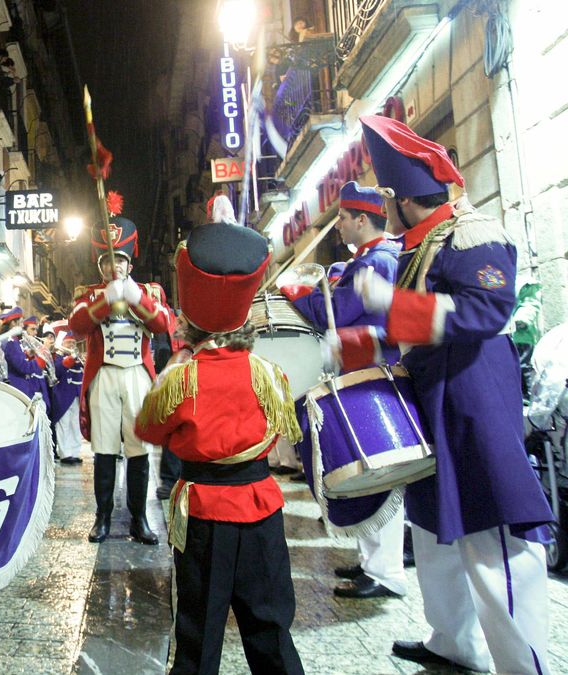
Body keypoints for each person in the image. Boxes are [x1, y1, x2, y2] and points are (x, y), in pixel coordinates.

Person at [337, 114, 552, 674]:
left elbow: (482, 313)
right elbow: (422, 334)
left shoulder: (470, 234)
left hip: (473, 408)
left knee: (493, 546)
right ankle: (452, 643)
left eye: (386, 195)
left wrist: (387, 304)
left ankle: (524, 667)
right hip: (433, 406)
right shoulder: (420, 242)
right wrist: (365, 341)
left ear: (400, 198)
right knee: (434, 536)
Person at [136, 219, 304, 675]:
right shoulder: (269, 374)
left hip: (204, 516)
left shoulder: (181, 378)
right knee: (271, 633)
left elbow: (148, 429)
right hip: (261, 509)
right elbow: (281, 428)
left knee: (197, 637)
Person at [280, 181, 407, 600]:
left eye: (343, 218)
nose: (337, 226)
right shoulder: (369, 259)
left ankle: (386, 571)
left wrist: (298, 293)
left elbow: (339, 312)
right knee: (369, 470)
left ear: (362, 220)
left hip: (371, 374)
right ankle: (373, 561)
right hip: (363, 372)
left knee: (379, 471)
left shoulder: (377, 262)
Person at [69, 213, 175, 545]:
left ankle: (139, 517)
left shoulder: (148, 291)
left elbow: (163, 324)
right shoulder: (88, 293)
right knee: (104, 449)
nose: (113, 267)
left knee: (138, 448)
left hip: (137, 377)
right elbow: (77, 325)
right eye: (107, 261)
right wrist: (105, 299)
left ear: (130, 262)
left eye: (120, 260)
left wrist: (134, 298)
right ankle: (102, 517)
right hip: (104, 376)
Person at [49, 327, 84, 465]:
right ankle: (65, 453)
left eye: (73, 343)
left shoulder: (78, 359)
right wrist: (70, 358)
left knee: (75, 425)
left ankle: (75, 452)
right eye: (68, 343)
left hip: (76, 395)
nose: (71, 346)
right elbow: (57, 370)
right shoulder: (57, 356)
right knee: (64, 425)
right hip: (63, 395)